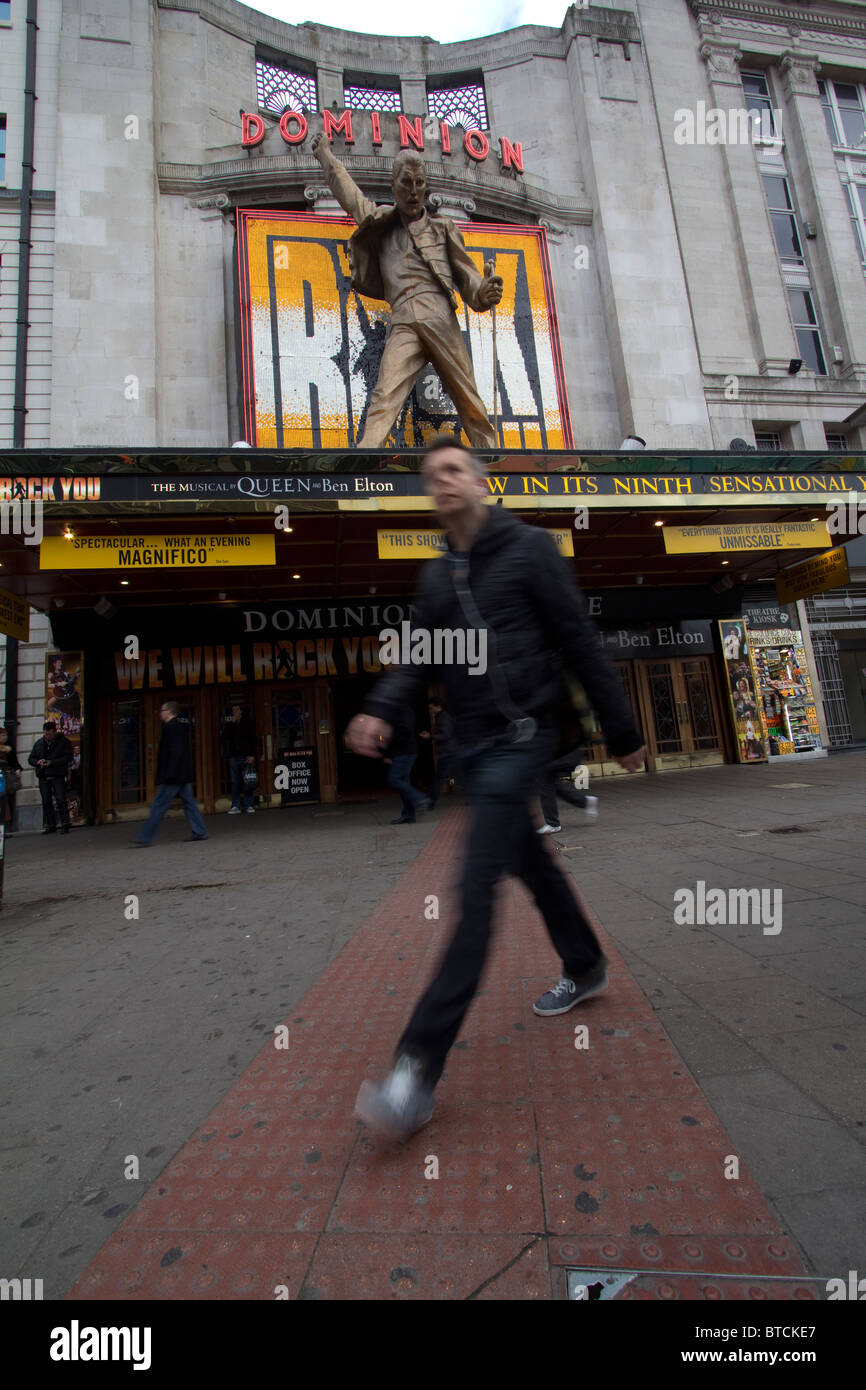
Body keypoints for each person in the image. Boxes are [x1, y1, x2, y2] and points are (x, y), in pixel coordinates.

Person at [346, 435, 646, 1140]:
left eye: (454, 470)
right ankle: (587, 962)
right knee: (532, 866)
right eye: (431, 476)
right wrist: (378, 709)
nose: (443, 482)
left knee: (473, 891)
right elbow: (415, 659)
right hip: (473, 750)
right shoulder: (435, 576)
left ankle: (415, 1073)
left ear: (480, 481)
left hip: (525, 737)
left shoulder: (531, 551)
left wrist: (624, 730)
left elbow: (579, 641)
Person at [311, 133, 503, 448]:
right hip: (403, 321)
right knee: (385, 394)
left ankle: (493, 459)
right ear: (394, 186)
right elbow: (348, 193)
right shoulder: (380, 224)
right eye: (406, 182)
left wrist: (484, 292)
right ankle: (366, 457)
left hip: (440, 317)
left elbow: (467, 276)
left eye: (420, 183)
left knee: (468, 396)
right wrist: (325, 157)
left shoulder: (443, 228)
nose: (414, 191)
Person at [131, 701, 208, 847]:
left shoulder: (171, 728)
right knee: (189, 804)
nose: (160, 712)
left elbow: (175, 752)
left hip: (174, 775)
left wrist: (170, 773)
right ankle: (200, 831)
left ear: (169, 711)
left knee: (159, 805)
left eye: (162, 710)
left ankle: (145, 837)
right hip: (181, 774)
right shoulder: (178, 727)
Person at [384, 709, 431, 825]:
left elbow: (404, 731)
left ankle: (420, 799)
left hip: (404, 751)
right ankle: (408, 815)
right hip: (403, 751)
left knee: (394, 780)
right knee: (403, 782)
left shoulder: (402, 709)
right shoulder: (401, 708)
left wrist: (389, 739)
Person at [28, 721, 74, 834]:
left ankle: (64, 823)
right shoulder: (39, 743)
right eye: (45, 734)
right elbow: (31, 758)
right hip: (43, 775)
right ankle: (51, 824)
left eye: (49, 734)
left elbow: (68, 757)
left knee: (60, 799)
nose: (47, 736)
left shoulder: (63, 742)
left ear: (54, 732)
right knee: (46, 800)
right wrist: (38, 762)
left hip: (57, 774)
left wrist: (52, 762)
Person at [421, 696, 459, 806]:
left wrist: (430, 736)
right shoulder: (441, 716)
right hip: (451, 750)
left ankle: (430, 802)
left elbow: (446, 735)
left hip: (447, 752)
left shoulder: (443, 717)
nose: (430, 710)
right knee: (459, 775)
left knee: (439, 778)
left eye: (431, 708)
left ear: (438, 706)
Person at [225, 704, 256, 814]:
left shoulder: (248, 722)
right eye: (233, 710)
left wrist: (252, 754)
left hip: (246, 755)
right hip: (233, 756)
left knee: (247, 779)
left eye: (237, 709)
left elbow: (253, 739)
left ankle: (249, 805)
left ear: (241, 711)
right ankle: (235, 806)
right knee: (234, 782)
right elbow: (225, 737)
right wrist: (232, 723)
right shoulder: (230, 724)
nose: (235, 712)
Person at [0, 728, 22, 835]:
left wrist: (17, 769)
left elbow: (14, 762)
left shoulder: (8, 749)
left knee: (4, 802)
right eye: (3, 735)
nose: (5, 737)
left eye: (5, 735)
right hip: (2, 778)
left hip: (4, 780)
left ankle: (3, 828)